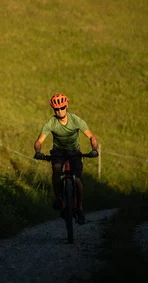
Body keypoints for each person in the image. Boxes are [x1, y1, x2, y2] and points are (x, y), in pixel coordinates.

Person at [33, 93, 99, 225]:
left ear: (66, 106)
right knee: (56, 169)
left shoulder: (75, 120)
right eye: (56, 109)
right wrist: (38, 152)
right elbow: (39, 141)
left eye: (62, 107)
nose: (59, 111)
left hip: (74, 152)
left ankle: (79, 208)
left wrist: (94, 149)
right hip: (58, 153)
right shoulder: (51, 123)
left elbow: (91, 137)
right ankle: (59, 198)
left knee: (78, 181)